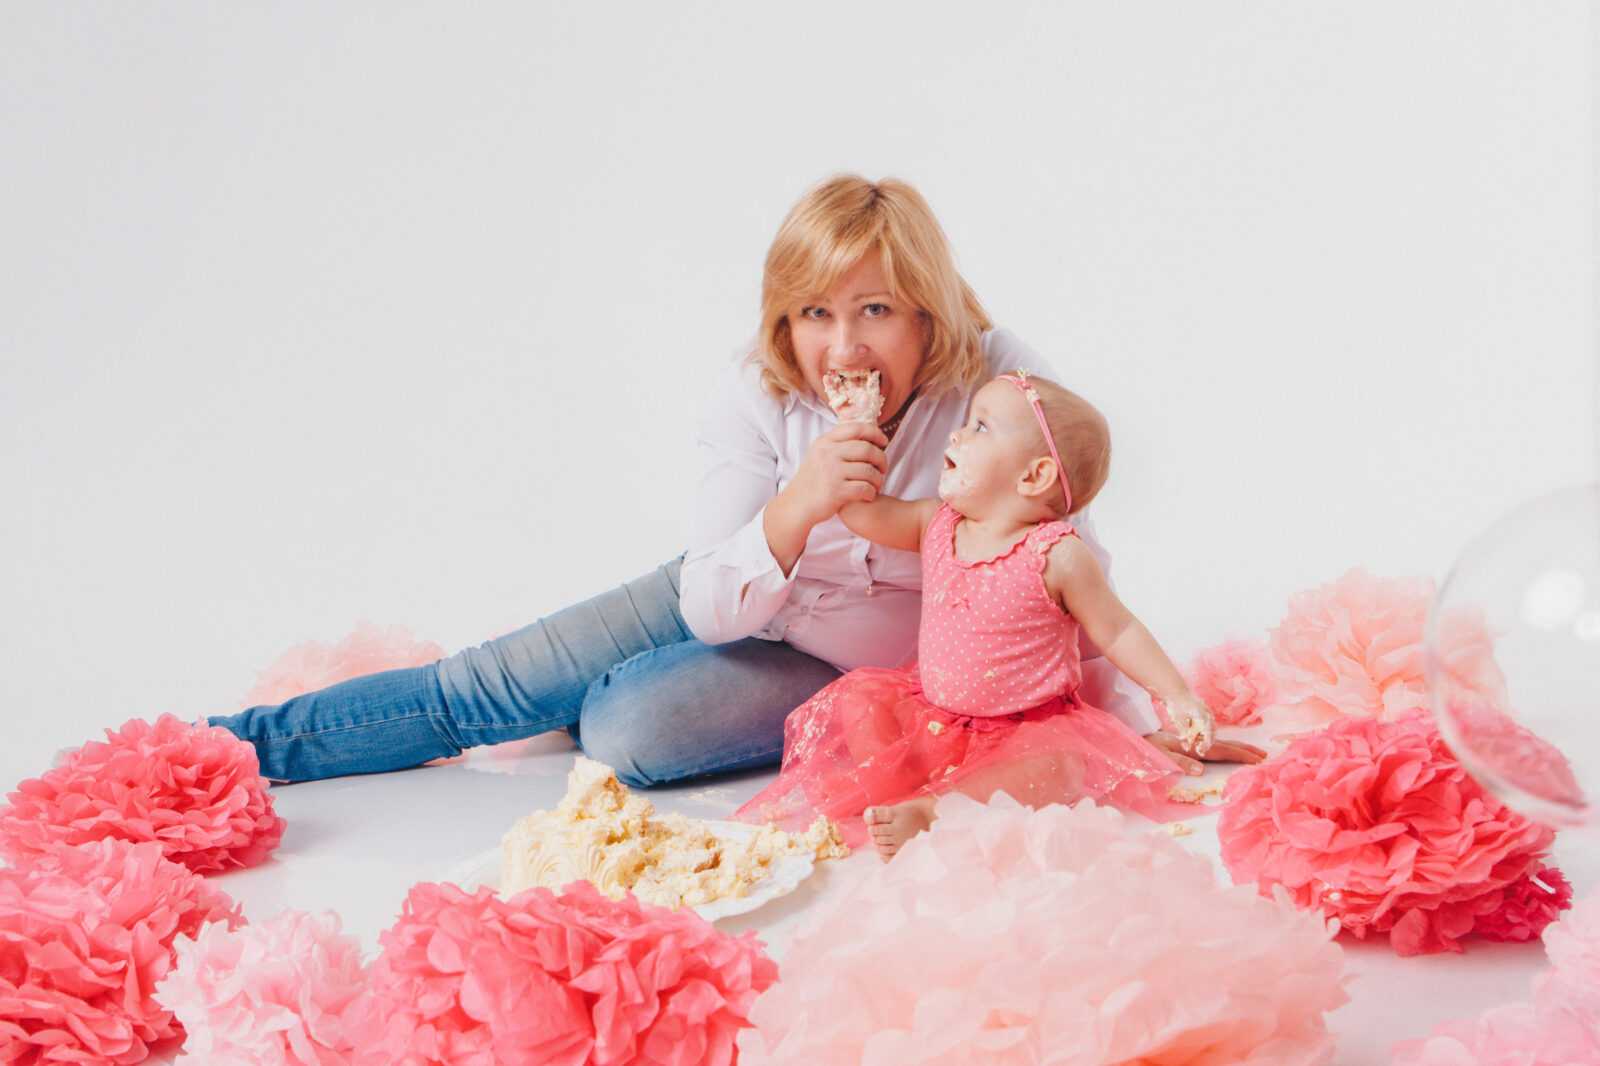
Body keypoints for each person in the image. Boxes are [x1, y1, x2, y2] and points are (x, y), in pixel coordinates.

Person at [210, 174, 1263, 787]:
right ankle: (223, 755)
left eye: (875, 310)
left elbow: (1068, 577)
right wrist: (800, 505)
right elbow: (709, 597)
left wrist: (1140, 719)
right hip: (731, 592)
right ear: (783, 321)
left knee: (630, 730)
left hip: (855, 667)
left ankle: (595, 701)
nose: (840, 347)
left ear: (928, 313)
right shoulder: (755, 395)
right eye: (815, 314)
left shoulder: (994, 380)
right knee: (484, 686)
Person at [737, 371, 1221, 859]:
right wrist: (854, 428)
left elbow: (1118, 631)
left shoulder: (1055, 554)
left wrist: (1176, 694)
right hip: (933, 716)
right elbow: (863, 514)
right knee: (861, 700)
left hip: (1024, 731)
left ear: (1034, 476)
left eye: (980, 427)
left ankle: (934, 810)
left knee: (1055, 768)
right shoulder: (936, 522)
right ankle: (897, 785)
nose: (957, 434)